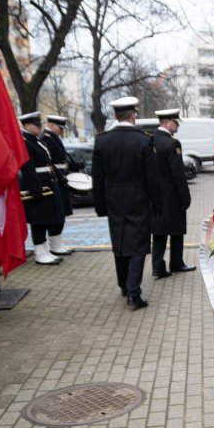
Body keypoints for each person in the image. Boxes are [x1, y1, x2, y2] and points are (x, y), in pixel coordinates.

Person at [92, 96, 161, 310]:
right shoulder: (143, 140)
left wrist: (100, 205)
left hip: (113, 197)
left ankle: (124, 285)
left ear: (115, 115)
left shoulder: (102, 140)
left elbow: (97, 178)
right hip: (138, 198)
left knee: (120, 243)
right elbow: (152, 177)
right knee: (138, 246)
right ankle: (133, 294)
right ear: (133, 116)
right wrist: (157, 204)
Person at [18, 112, 67, 265]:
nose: (40, 126)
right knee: (38, 220)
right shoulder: (25, 141)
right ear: (27, 126)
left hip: (46, 183)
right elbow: (27, 167)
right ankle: (39, 252)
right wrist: (36, 187)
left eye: (40, 124)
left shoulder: (35, 141)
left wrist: (58, 176)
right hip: (37, 185)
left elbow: (48, 163)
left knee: (46, 219)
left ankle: (45, 249)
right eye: (36, 124)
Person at [150, 108, 194, 279]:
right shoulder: (172, 143)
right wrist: (185, 197)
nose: (177, 126)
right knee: (176, 230)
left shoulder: (150, 140)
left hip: (154, 193)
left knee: (159, 232)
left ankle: (157, 267)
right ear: (168, 122)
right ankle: (176, 263)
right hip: (171, 194)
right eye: (176, 123)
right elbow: (177, 174)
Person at [41, 114, 74, 256]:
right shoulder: (46, 139)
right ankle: (54, 244)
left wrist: (74, 166)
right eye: (60, 127)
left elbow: (61, 160)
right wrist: (60, 176)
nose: (61, 130)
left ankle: (58, 241)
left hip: (60, 178)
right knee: (57, 214)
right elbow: (50, 162)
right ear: (52, 125)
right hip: (55, 180)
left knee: (62, 213)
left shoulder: (54, 138)